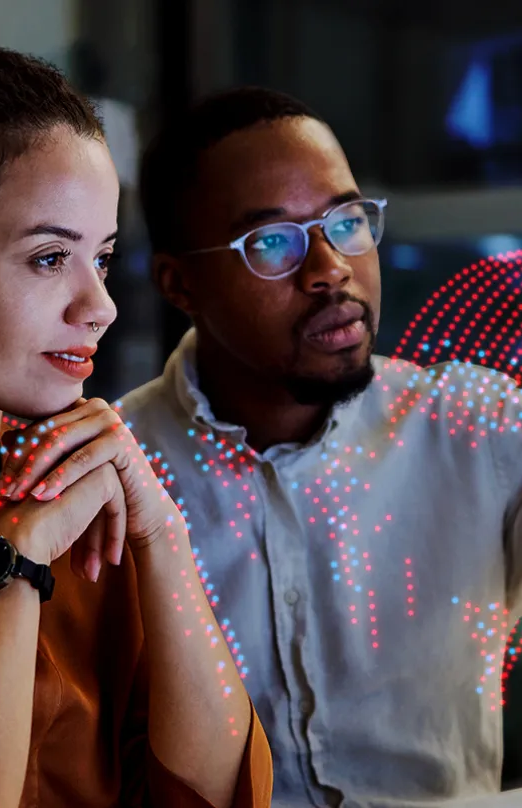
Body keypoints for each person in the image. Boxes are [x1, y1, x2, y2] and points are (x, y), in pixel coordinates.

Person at [118, 85, 522, 807]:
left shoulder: (476, 429)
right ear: (179, 284)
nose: (329, 267)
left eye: (346, 221)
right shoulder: (118, 476)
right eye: (271, 241)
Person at [0, 13, 272, 808]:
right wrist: (12, 567)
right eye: (50, 258)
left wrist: (162, 537)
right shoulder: (45, 525)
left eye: (100, 257)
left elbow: (218, 794)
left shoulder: (83, 501)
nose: (99, 306)